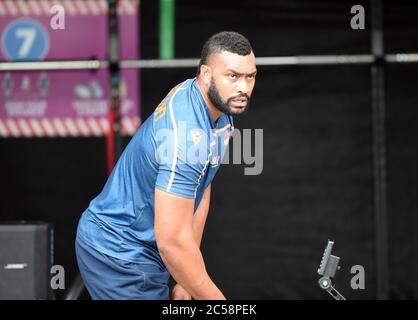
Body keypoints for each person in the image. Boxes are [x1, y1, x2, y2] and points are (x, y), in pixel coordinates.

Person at [75, 31, 257, 300]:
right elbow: (171, 243)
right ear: (206, 74)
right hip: (119, 252)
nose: (243, 87)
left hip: (147, 250)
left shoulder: (219, 113)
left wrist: (185, 278)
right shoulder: (185, 135)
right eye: (232, 76)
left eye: (250, 76)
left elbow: (202, 188)